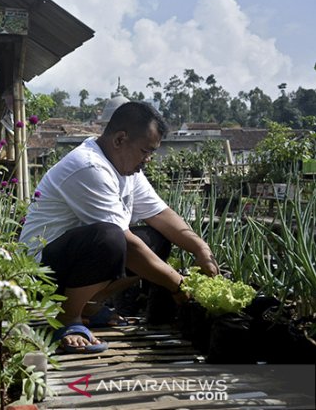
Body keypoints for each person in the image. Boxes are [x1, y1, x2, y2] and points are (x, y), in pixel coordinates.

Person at [19, 101, 219, 353]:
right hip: (40, 272)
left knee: (156, 239)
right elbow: (126, 245)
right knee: (111, 238)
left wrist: (200, 248)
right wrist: (179, 285)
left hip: (73, 265)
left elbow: (161, 214)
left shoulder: (127, 169)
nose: (147, 160)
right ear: (120, 139)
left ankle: (90, 304)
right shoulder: (89, 166)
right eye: (145, 151)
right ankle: (68, 318)